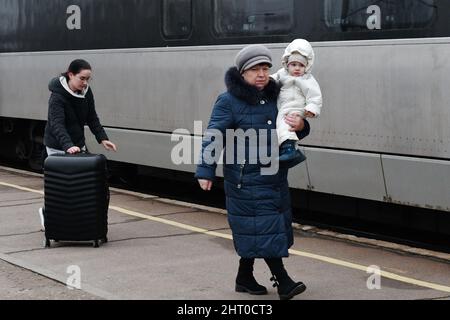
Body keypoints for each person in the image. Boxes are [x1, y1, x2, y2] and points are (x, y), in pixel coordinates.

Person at [195, 45, 310, 300]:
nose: (261, 74)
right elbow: (214, 135)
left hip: (274, 175)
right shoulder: (228, 101)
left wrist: (301, 125)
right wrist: (206, 170)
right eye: (255, 69)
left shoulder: (276, 97)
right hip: (246, 179)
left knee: (259, 229)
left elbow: (289, 129)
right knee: (264, 226)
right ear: (242, 72)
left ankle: (244, 277)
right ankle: (284, 281)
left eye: (266, 68)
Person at [39, 59, 117, 230]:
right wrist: (67, 146)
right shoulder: (57, 96)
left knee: (79, 186)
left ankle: (75, 221)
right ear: (70, 75)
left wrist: (102, 137)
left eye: (88, 79)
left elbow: (92, 117)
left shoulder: (86, 92)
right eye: (82, 78)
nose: (85, 82)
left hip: (76, 144)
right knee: (59, 186)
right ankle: (48, 213)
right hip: (57, 147)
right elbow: (56, 124)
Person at [271, 39, 322, 167]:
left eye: (301, 65)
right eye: (293, 64)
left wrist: (311, 108)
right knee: (284, 124)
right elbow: (272, 78)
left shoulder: (308, 79)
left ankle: (289, 149)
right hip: (284, 106)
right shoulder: (282, 74)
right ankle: (290, 149)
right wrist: (267, 81)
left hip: (299, 108)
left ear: (307, 66)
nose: (297, 68)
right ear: (287, 64)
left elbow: (315, 96)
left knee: (285, 123)